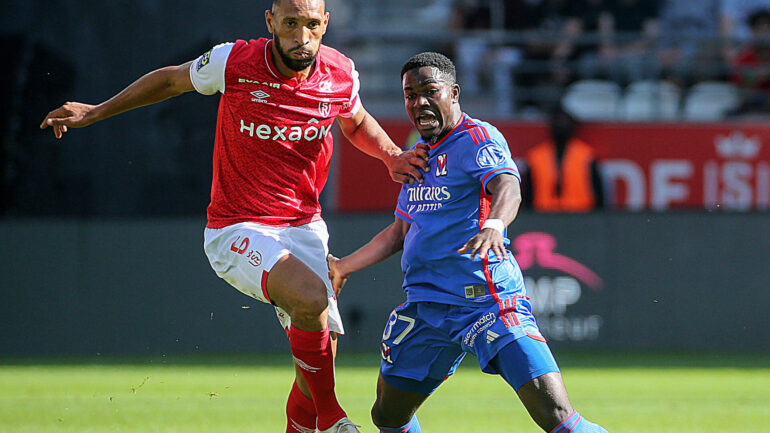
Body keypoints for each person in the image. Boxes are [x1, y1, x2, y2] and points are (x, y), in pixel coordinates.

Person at [39, 1, 429, 433]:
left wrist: (391, 154)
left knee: (316, 359)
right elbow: (170, 80)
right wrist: (95, 111)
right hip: (237, 227)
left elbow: (353, 122)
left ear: (326, 24)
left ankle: (314, 418)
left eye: (312, 25)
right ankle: (333, 418)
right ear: (270, 22)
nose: (301, 37)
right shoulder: (234, 61)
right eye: (291, 23)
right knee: (311, 298)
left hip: (304, 227)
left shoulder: (339, 72)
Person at [328, 52, 608, 433]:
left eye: (430, 91)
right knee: (387, 416)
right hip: (426, 308)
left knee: (556, 416)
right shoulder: (419, 158)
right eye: (410, 95)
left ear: (454, 93)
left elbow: (508, 184)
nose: (419, 102)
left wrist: (495, 224)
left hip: (486, 302)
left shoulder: (477, 137)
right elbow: (398, 233)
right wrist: (344, 266)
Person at [521, 106, 604, 212]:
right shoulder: (536, 157)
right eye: (558, 121)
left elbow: (598, 194)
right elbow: (527, 193)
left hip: (581, 216)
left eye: (565, 122)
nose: (561, 125)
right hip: (543, 215)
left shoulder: (586, 156)